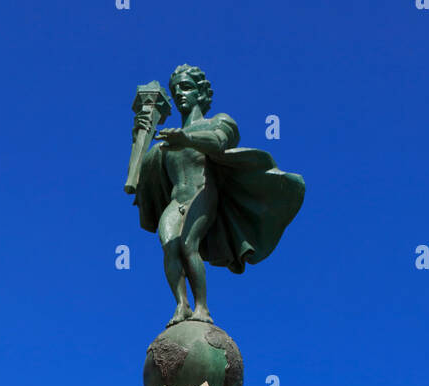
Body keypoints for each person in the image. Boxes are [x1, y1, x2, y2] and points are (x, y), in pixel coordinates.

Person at [130, 64, 305, 326]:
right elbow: (141, 178)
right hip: (177, 199)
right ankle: (182, 305)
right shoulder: (165, 143)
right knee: (169, 247)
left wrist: (187, 139)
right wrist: (139, 136)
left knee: (189, 245)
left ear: (201, 94)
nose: (179, 93)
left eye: (186, 87)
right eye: (175, 89)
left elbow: (219, 141)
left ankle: (202, 309)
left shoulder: (216, 121)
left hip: (203, 193)